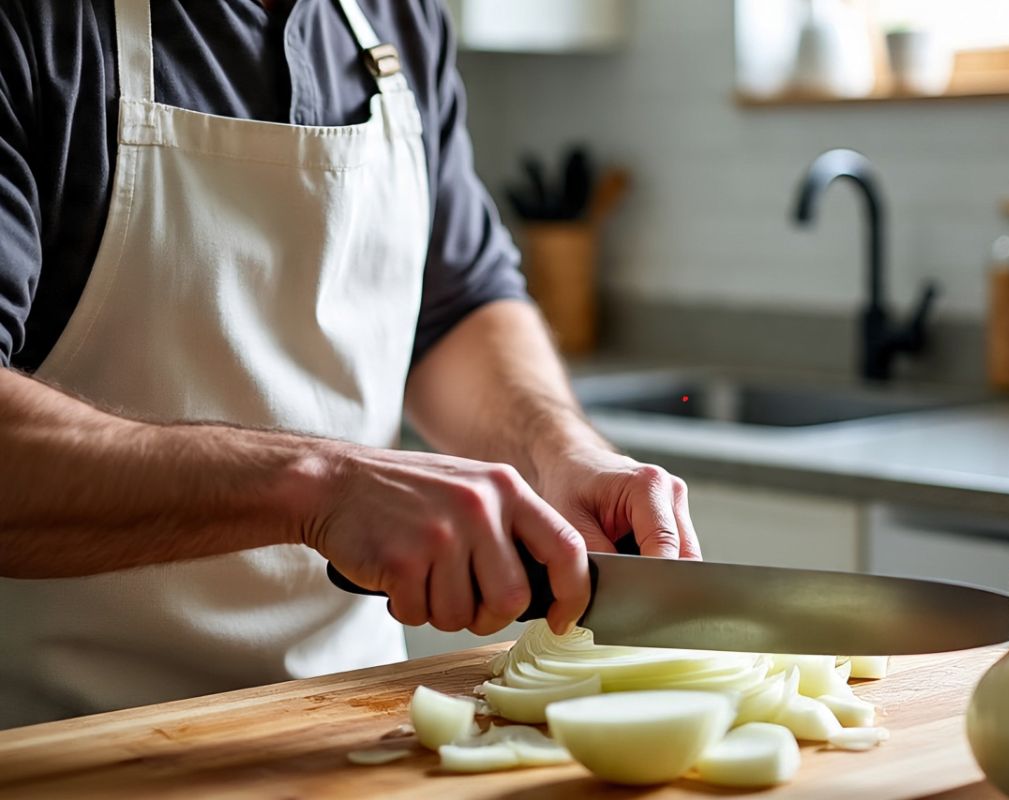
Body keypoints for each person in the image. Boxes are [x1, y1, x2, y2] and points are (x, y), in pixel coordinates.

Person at [0, 0, 700, 730]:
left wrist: (559, 452)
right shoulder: (34, 25)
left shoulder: (400, 17)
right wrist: (321, 485)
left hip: (346, 720)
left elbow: (455, 305)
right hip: (70, 735)